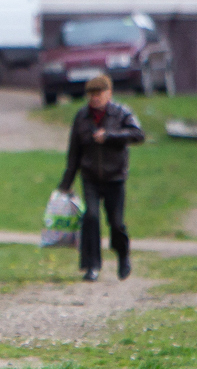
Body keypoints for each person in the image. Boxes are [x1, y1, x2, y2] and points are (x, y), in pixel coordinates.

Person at [57, 74, 144, 282]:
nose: (95, 99)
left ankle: (123, 255)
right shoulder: (81, 117)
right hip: (91, 178)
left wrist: (110, 136)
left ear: (109, 94)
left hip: (115, 178)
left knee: (116, 223)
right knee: (91, 218)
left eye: (99, 94)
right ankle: (92, 265)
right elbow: (74, 153)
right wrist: (65, 185)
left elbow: (138, 135)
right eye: (91, 95)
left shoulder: (121, 113)